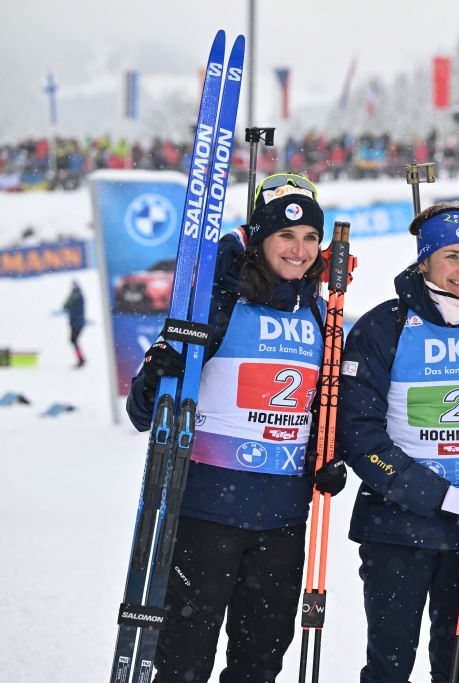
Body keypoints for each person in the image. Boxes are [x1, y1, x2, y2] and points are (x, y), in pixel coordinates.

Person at [126, 173, 332, 682]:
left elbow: (329, 410)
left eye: (310, 238)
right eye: (285, 236)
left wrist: (335, 453)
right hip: (207, 514)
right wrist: (160, 368)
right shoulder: (214, 305)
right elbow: (143, 411)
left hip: (284, 520)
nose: (298, 249)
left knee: (259, 664)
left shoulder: (323, 315)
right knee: (183, 660)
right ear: (259, 239)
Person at [314, 204, 459, 683]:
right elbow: (359, 434)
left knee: (457, 669)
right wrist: (444, 496)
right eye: (451, 256)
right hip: (396, 528)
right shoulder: (381, 327)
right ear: (424, 262)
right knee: (390, 667)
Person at [63, 279, 86, 367]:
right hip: (79, 322)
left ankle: (81, 359)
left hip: (75, 322)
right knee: (74, 341)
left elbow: (66, 305)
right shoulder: (80, 295)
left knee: (73, 340)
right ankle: (81, 359)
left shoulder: (74, 295)